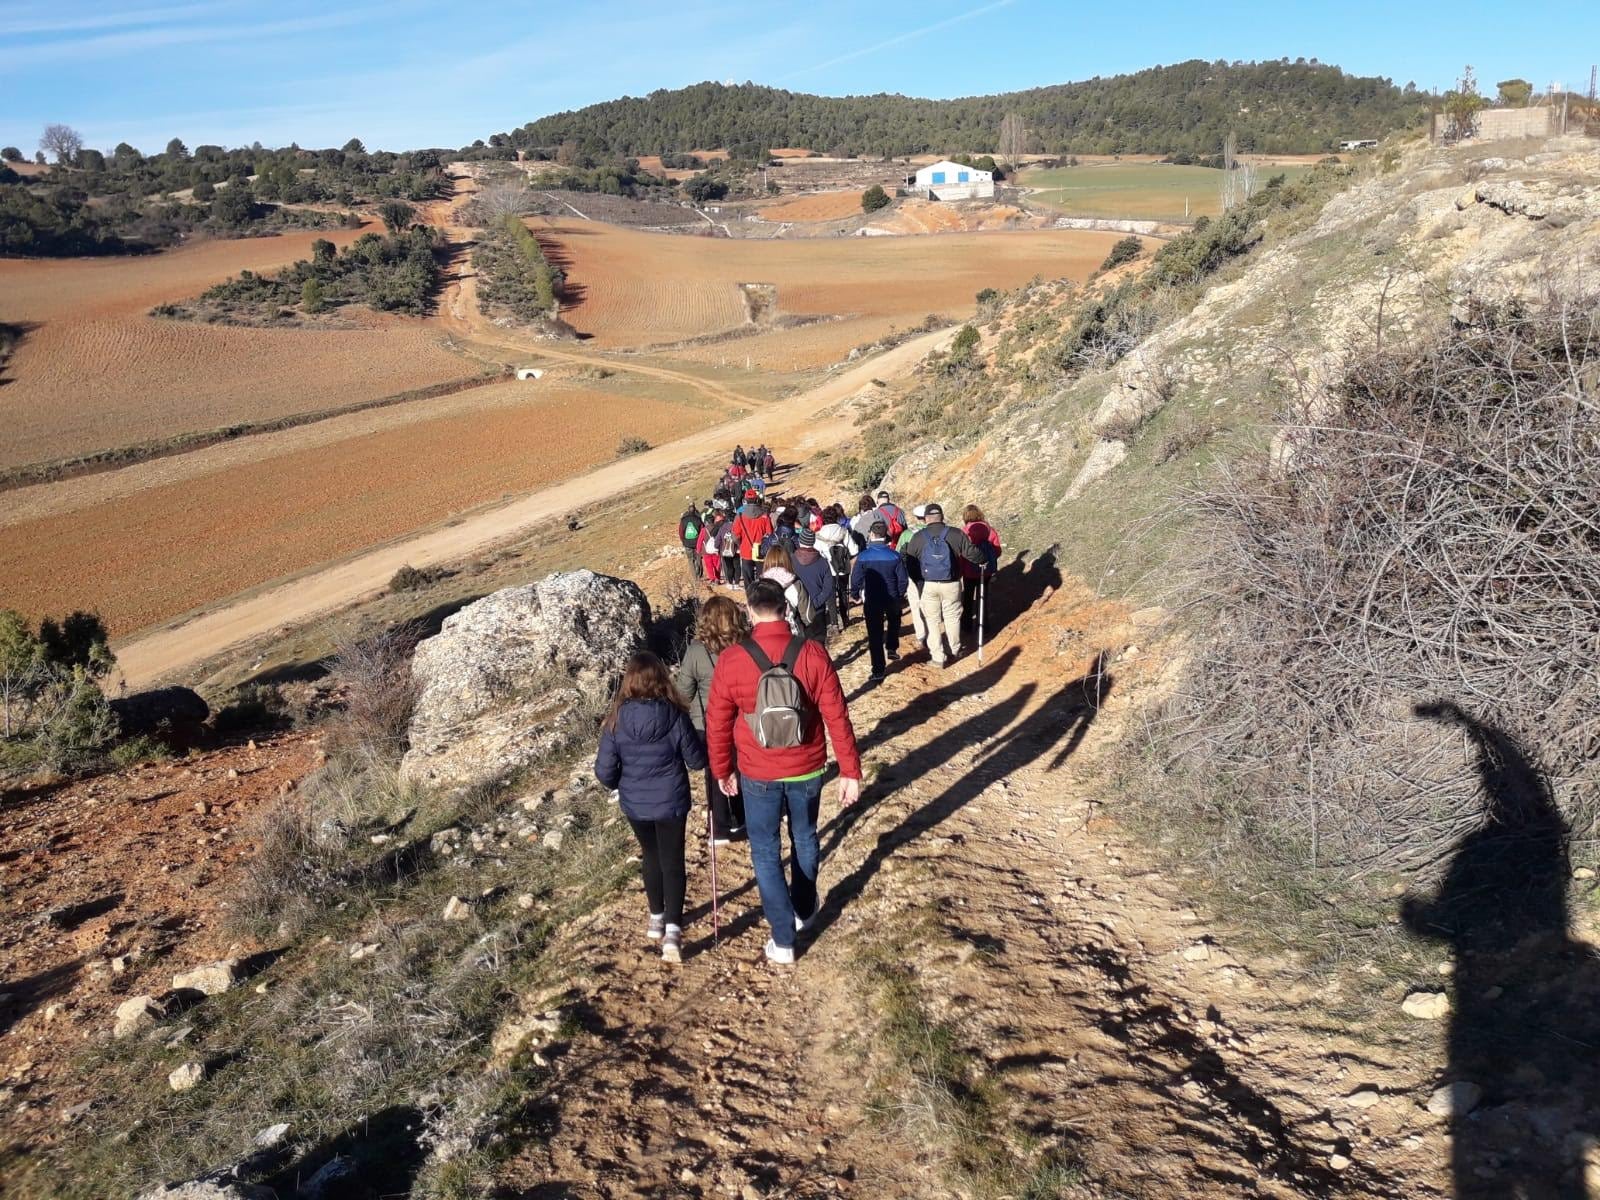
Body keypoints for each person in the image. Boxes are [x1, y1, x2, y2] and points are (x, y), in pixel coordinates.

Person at [705, 579, 862, 965]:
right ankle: (805, 908)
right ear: (784, 608)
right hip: (806, 765)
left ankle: (783, 937)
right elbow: (837, 715)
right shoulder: (812, 653)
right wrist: (849, 770)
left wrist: (723, 768)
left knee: (765, 850)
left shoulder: (732, 659)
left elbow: (718, 723)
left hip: (757, 770)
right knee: (805, 836)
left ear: (750, 609)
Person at [594, 652, 706, 964]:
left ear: (629, 682)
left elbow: (604, 772)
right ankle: (673, 930)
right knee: (672, 861)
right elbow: (695, 761)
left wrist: (622, 783)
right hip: (671, 800)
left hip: (635, 803)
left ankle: (656, 918)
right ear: (662, 679)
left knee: (651, 855)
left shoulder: (616, 720)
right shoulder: (675, 715)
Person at [674, 596, 749, 843]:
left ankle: (719, 827)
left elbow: (684, 693)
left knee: (715, 772)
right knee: (742, 767)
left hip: (706, 723)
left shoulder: (696, 651)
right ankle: (743, 816)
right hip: (741, 719)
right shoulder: (745, 645)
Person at [900, 503, 985, 669]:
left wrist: (919, 581)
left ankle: (938, 657)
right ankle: (955, 649)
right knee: (952, 617)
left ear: (926, 519)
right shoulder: (955, 534)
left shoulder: (918, 537)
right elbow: (972, 554)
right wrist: (983, 559)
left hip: (928, 585)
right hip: (951, 583)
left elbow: (910, 563)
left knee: (931, 621)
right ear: (942, 516)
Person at [851, 521, 909, 681]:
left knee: (874, 634)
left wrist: (855, 594)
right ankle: (891, 647)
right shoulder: (894, 555)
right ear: (886, 535)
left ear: (871, 534)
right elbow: (903, 579)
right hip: (891, 596)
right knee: (894, 621)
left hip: (872, 598)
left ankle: (878, 669)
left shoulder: (863, 556)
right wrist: (900, 594)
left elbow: (856, 578)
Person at [960, 504, 1002, 633]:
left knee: (967, 598)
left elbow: (960, 552)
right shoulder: (990, 530)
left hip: (968, 571)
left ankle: (966, 626)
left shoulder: (963, 532)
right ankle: (983, 626)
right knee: (982, 597)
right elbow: (997, 551)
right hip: (986, 570)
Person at [791, 527, 836, 642]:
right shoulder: (822, 562)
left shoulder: (791, 560)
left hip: (798, 610)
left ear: (800, 541)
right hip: (818, 610)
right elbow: (828, 587)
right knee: (818, 646)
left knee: (800, 647)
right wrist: (816, 602)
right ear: (813, 542)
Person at [759, 543, 810, 637]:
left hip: (766, 637)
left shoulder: (759, 586)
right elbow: (807, 616)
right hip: (792, 637)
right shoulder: (796, 585)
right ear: (787, 561)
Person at [815, 517, 855, 633]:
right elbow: (852, 549)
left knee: (830, 596)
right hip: (842, 567)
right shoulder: (843, 531)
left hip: (827, 568)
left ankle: (834, 624)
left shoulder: (819, 534)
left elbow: (817, 552)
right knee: (843, 592)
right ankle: (845, 618)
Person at [897, 504, 929, 648]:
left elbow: (898, 554)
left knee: (915, 605)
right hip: (935, 573)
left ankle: (921, 635)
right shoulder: (939, 531)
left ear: (916, 517)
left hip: (913, 574)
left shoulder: (907, 534)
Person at [733, 489, 773, 588]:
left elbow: (735, 536)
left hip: (746, 551)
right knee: (762, 578)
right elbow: (770, 534)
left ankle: (750, 599)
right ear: (756, 500)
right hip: (761, 552)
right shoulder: (764, 516)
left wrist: (740, 545)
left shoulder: (740, 516)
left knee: (748, 579)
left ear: (745, 500)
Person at [678, 503, 703, 579]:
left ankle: (694, 577)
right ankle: (699, 574)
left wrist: (684, 541)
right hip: (697, 543)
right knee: (698, 558)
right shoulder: (698, 519)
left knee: (690, 560)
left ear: (688, 510)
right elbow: (702, 531)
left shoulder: (683, 520)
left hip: (687, 543)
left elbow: (681, 532)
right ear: (695, 509)